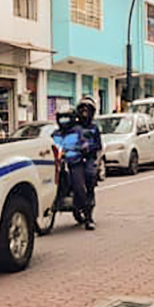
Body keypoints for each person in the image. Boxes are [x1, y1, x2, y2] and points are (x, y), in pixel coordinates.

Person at [51, 98, 102, 231]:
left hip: (80, 160)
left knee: (88, 177)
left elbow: (95, 145)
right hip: (60, 162)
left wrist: (86, 148)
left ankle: (88, 216)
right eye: (62, 118)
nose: (85, 112)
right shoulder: (57, 133)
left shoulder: (85, 130)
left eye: (87, 110)